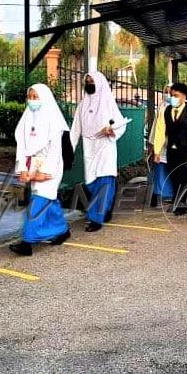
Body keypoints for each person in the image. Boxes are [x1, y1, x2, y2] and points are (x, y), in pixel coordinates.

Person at [10, 84, 72, 256]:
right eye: (30, 96)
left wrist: (45, 172)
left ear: (44, 98)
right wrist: (22, 168)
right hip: (33, 164)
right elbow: (21, 147)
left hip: (51, 165)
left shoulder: (53, 120)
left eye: (36, 97)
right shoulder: (26, 119)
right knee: (49, 200)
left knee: (38, 201)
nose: (32, 100)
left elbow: (55, 151)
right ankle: (61, 229)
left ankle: (27, 241)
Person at [69, 71, 127, 232]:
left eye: (92, 81)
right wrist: (69, 151)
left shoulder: (109, 103)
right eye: (87, 81)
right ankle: (105, 209)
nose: (89, 84)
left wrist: (111, 130)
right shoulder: (82, 105)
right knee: (91, 183)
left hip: (105, 147)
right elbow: (75, 130)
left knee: (104, 183)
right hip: (89, 148)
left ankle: (96, 218)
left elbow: (121, 123)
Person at [153, 82, 187, 215]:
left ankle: (181, 205)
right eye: (171, 95)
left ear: (183, 96)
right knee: (174, 177)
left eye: (175, 95)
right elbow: (160, 131)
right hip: (171, 150)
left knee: (184, 177)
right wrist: (157, 151)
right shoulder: (165, 111)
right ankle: (178, 201)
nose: (172, 97)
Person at [146, 85, 174, 208]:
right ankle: (154, 197)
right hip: (160, 146)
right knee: (157, 172)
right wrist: (151, 145)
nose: (168, 95)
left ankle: (172, 196)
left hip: (173, 147)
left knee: (172, 172)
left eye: (170, 93)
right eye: (166, 92)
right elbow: (154, 129)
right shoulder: (161, 107)